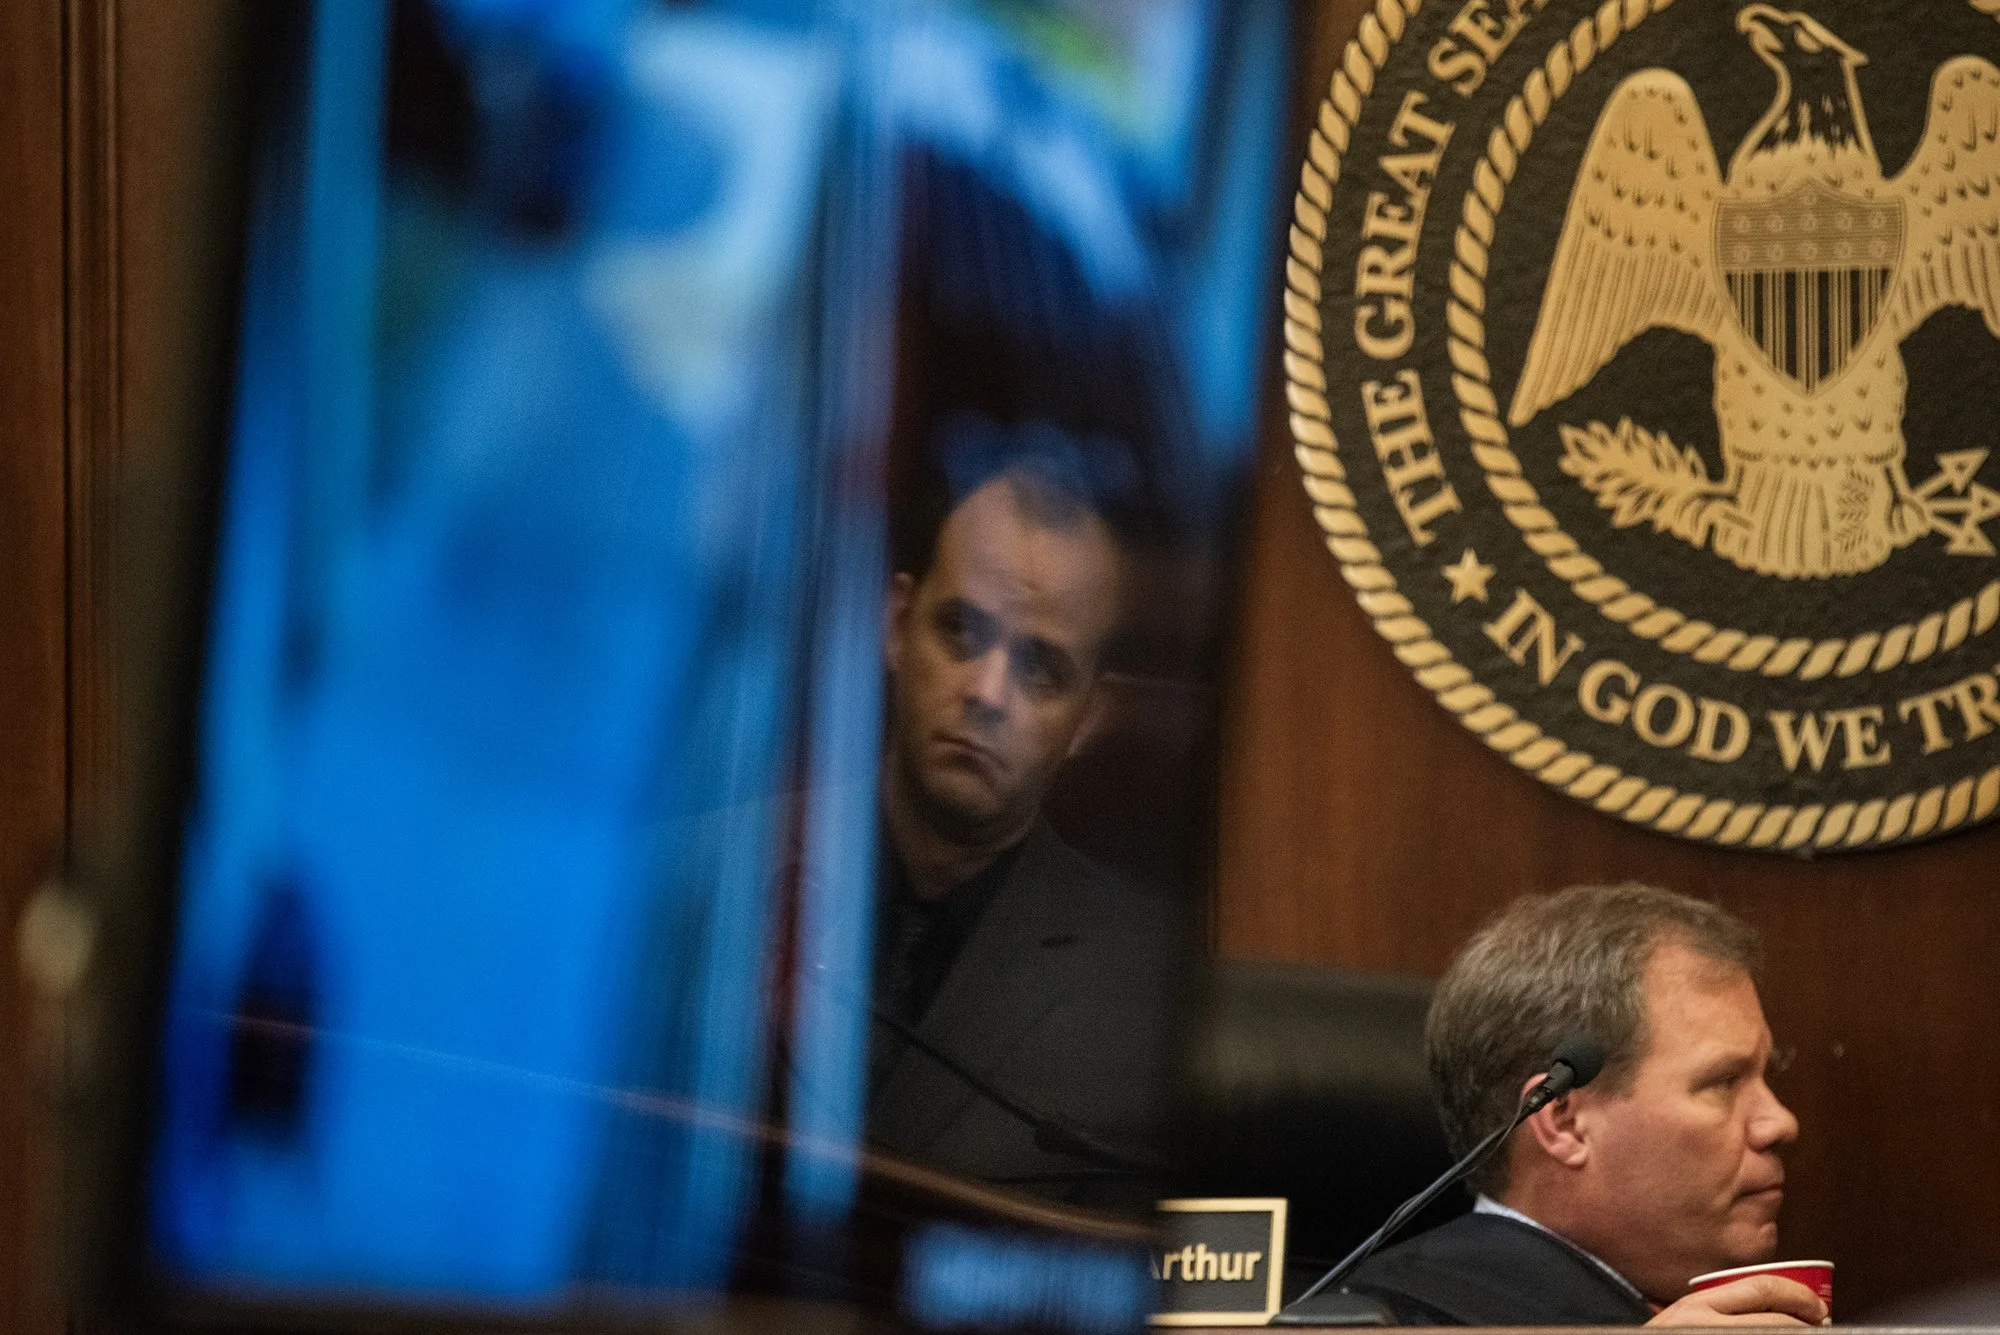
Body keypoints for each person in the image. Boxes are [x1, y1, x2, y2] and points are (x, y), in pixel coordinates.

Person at [865, 462, 1182, 1212]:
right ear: (896, 625)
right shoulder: (719, 877)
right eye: (961, 631)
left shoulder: (1146, 995)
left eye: (1040, 668)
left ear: (1091, 716)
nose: (985, 692)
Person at [1346, 884, 1830, 1326]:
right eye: (1723, 1081)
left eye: (1765, 1075)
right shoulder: (1400, 1319)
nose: (1780, 1123)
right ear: (1566, 1124)